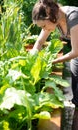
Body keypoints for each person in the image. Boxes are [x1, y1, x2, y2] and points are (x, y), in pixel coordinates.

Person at [31, 0, 78, 129]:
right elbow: (39, 42)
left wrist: (52, 61)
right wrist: (33, 56)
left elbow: (75, 51)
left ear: (50, 16)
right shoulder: (54, 19)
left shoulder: (73, 16)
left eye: (44, 26)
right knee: (75, 89)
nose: (44, 29)